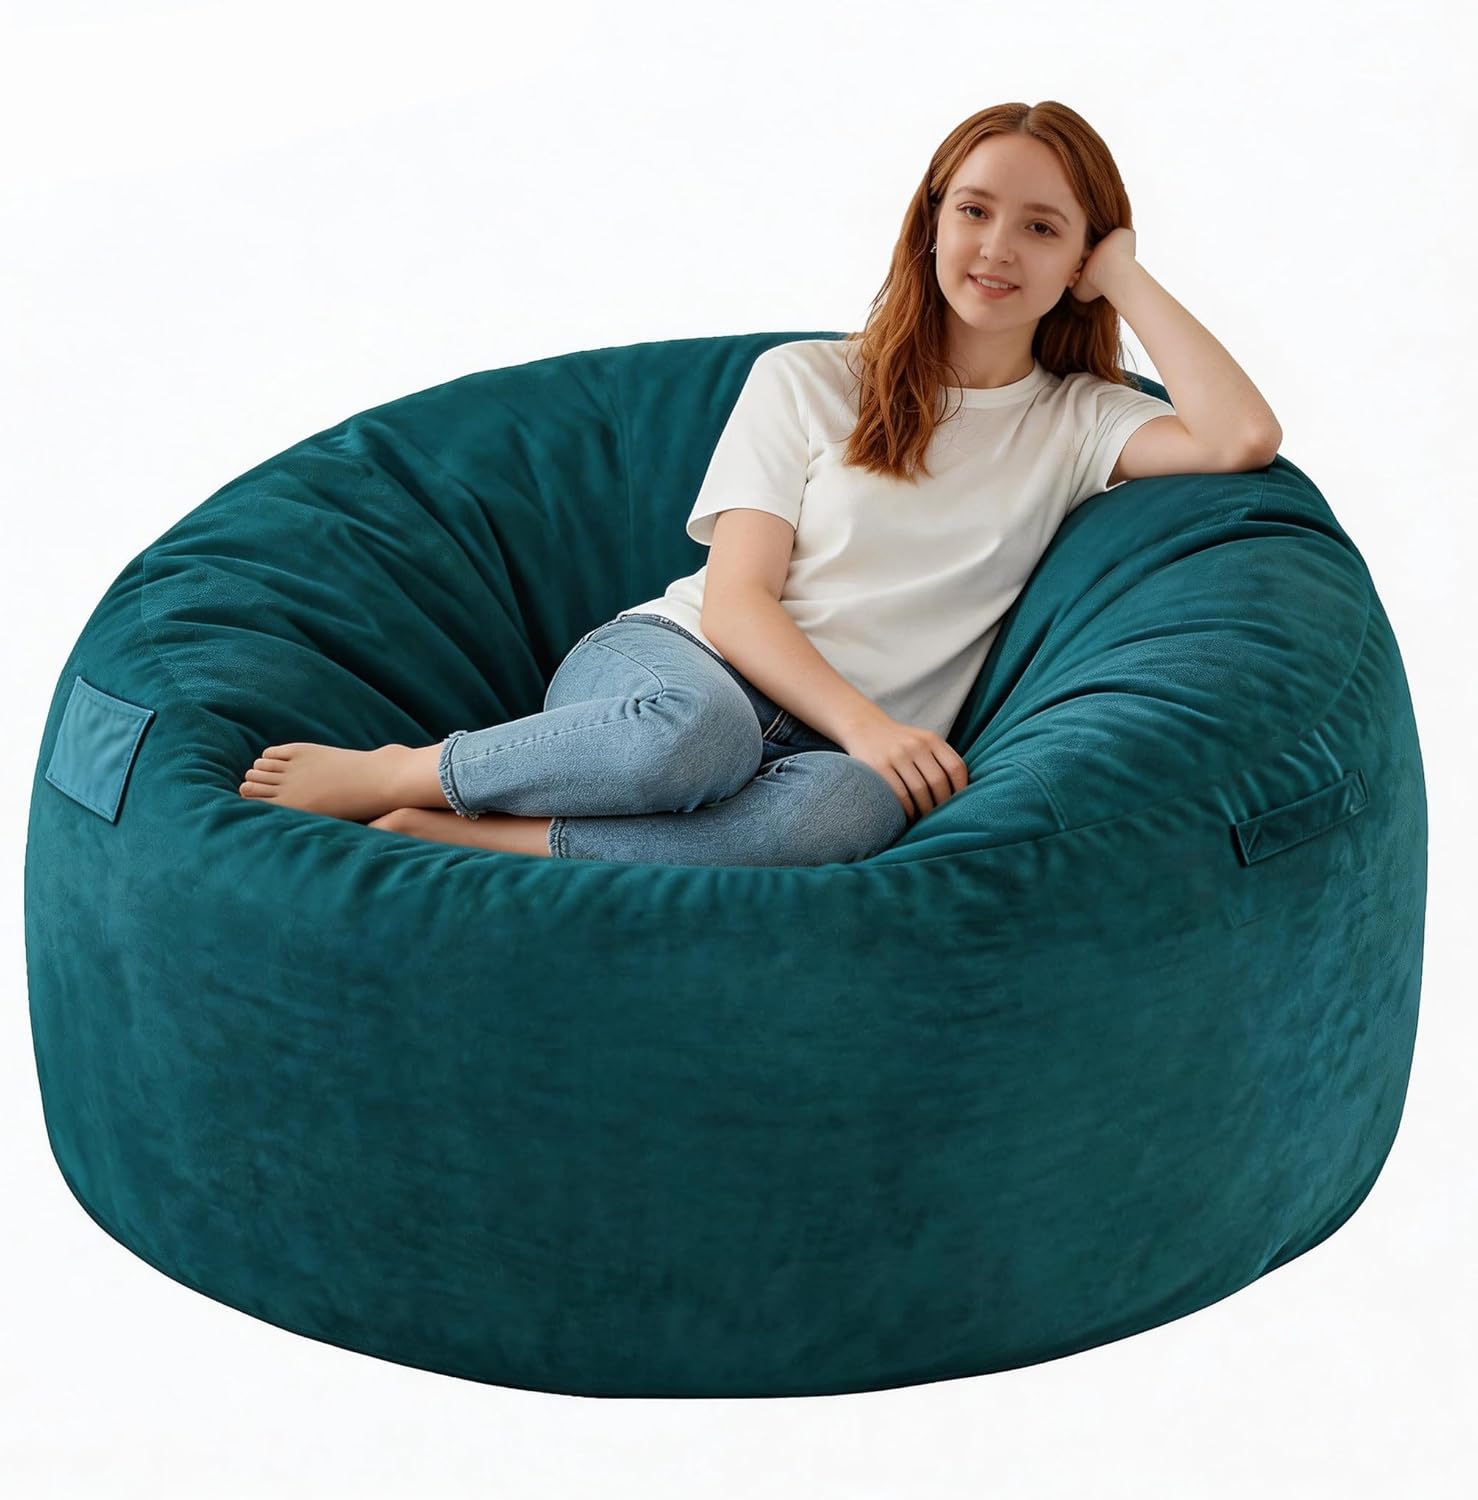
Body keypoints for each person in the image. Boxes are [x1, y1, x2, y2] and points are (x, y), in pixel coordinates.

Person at [237, 99, 1280, 864]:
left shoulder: (1080, 419)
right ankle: (402, 771)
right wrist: (869, 725)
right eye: (973, 210)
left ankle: (482, 839)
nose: (997, 247)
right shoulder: (809, 379)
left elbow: (1239, 436)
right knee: (698, 736)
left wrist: (1124, 272)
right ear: (930, 222)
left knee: (850, 817)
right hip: (677, 671)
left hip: (827, 755)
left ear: (1078, 262)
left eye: (1043, 228)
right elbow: (736, 601)